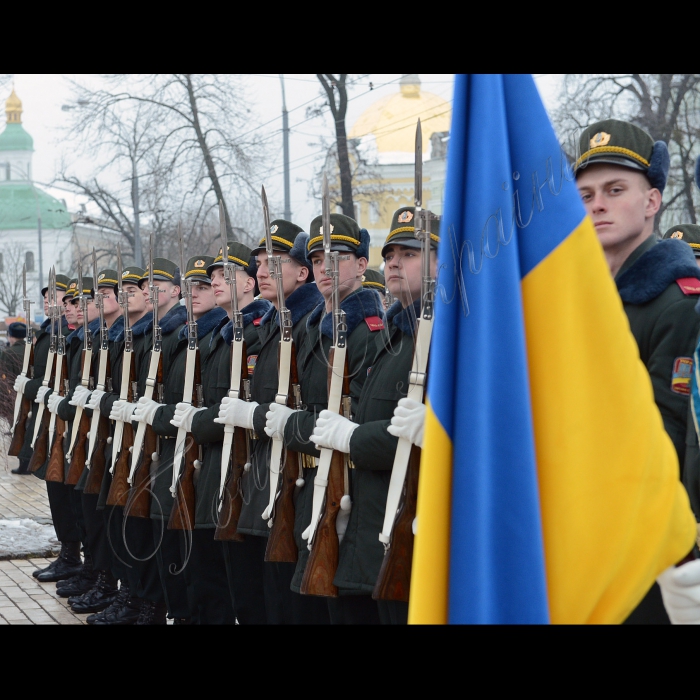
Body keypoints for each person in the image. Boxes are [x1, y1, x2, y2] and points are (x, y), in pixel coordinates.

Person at [574, 119, 700, 624]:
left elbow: (671, 440)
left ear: (652, 202)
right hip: (584, 534)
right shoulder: (577, 307)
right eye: (584, 194)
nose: (597, 204)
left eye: (615, 189)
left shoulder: (677, 304)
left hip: (647, 549)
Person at [307, 206, 439, 624]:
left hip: (418, 533)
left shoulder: (451, 337)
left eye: (411, 252)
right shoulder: (399, 336)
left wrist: (351, 438)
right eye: (392, 253)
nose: (395, 261)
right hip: (372, 526)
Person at [279, 214, 384, 624]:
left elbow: (348, 419)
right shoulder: (312, 327)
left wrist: (290, 426)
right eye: (318, 257)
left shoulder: (370, 330)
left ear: (361, 264)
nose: (325, 266)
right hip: (313, 488)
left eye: (338, 256)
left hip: (349, 489)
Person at [215, 222, 322, 623]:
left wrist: (255, 416)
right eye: (259, 263)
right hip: (263, 476)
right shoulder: (277, 324)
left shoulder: (311, 322)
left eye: (274, 262)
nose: (261, 271)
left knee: (288, 603)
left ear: (302, 272)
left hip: (295, 480)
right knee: (261, 598)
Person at [134, 254, 226, 624]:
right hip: (172, 453)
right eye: (194, 288)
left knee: (203, 565)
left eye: (205, 285)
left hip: (202, 457)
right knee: (172, 551)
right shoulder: (184, 336)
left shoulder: (211, 336)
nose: (198, 293)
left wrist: (160, 415)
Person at [3, 322, 29, 474]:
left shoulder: (8, 353)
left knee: (18, 432)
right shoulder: (31, 349)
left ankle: (23, 464)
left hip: (14, 397)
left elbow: (5, 377)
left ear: (11, 336)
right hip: (32, 396)